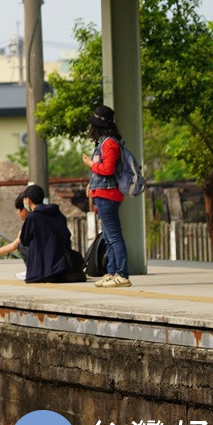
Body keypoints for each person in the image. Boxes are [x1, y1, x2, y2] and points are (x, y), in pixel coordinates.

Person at [0, 184, 83, 283]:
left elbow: (24, 241)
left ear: (27, 200)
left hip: (47, 271)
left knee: (22, 244)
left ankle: (35, 270)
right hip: (64, 265)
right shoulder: (57, 213)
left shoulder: (33, 217)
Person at [82, 104, 130, 288]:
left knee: (115, 236)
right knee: (109, 236)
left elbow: (108, 169)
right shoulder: (103, 142)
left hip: (109, 195)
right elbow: (101, 172)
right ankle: (111, 272)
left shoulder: (109, 143)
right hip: (102, 193)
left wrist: (89, 164)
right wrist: (91, 184)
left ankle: (122, 273)